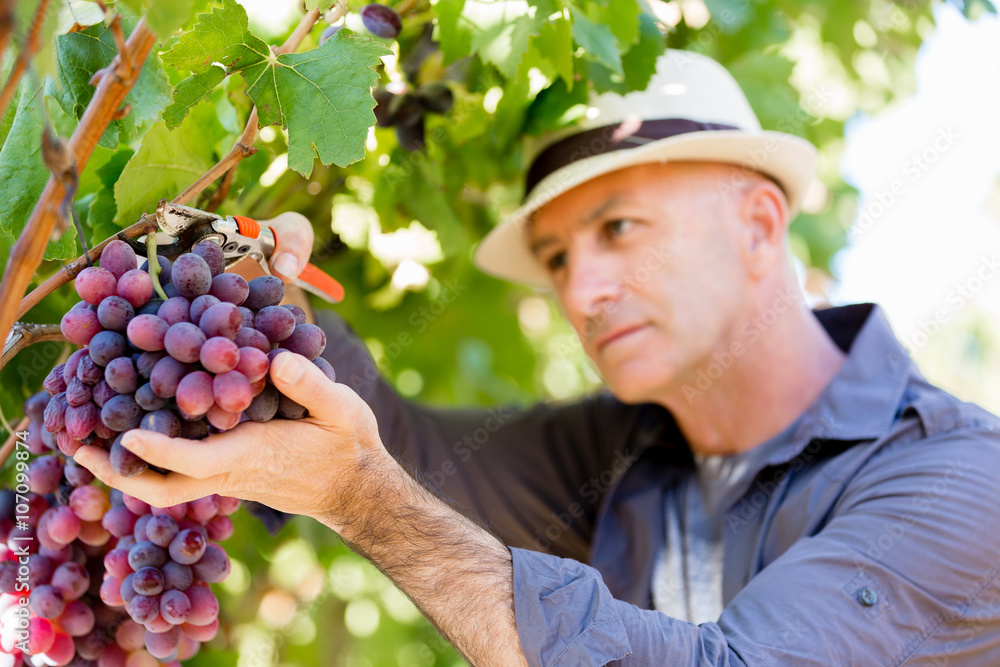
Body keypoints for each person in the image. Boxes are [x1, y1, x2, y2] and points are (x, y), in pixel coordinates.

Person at [74, 50, 1000, 666]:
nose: (582, 289)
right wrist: (254, 288)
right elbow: (405, 450)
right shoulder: (628, 447)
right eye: (558, 257)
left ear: (759, 224)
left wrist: (360, 498)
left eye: (619, 227)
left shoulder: (960, 482)